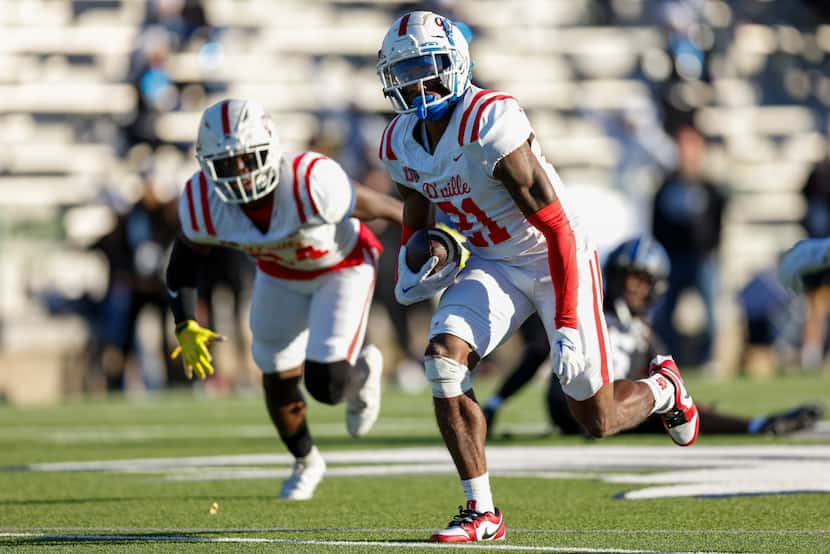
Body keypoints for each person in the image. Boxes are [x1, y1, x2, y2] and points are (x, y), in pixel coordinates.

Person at [376, 11, 699, 543]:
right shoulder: (399, 142)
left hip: (552, 254)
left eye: (428, 67)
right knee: (442, 362)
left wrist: (569, 319)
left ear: (456, 64)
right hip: (491, 261)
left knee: (593, 417)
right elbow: (417, 209)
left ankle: (663, 388)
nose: (418, 83)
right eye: (406, 72)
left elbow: (558, 226)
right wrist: (419, 257)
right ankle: (482, 511)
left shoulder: (487, 120)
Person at [165, 98, 402, 500]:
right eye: (225, 164)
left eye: (247, 159)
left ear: (270, 149)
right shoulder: (203, 202)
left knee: (325, 385)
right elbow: (183, 264)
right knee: (274, 375)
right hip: (278, 274)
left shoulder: (310, 180)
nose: (238, 174)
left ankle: (363, 371)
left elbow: (387, 208)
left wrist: (443, 234)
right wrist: (185, 322)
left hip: (340, 267)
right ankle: (306, 462)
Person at [544, 236, 824, 437]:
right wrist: (497, 403)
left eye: (640, 279)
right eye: (625, 276)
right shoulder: (587, 312)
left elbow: (675, 394)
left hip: (610, 409)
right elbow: (536, 351)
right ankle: (754, 426)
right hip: (569, 402)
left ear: (655, 286)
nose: (630, 286)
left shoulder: (647, 337)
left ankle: (755, 425)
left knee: (671, 407)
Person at [651, 124, 726, 367]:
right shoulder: (666, 185)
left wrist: (712, 250)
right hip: (674, 258)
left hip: (702, 259)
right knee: (665, 314)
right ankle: (669, 360)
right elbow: (657, 222)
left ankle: (709, 359)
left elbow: (718, 220)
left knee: (712, 315)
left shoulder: (709, 186)